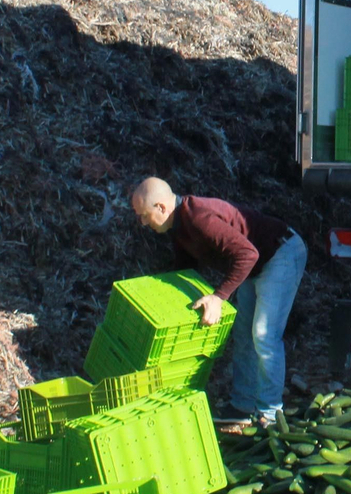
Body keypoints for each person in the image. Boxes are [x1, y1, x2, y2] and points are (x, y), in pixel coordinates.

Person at [130, 177, 306, 428]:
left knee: (263, 334)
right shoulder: (179, 227)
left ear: (161, 207)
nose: (143, 222)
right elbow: (183, 272)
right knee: (244, 335)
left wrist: (218, 297)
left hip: (280, 253)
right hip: (255, 264)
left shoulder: (198, 218)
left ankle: (270, 413)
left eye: (145, 215)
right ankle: (243, 405)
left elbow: (248, 254)